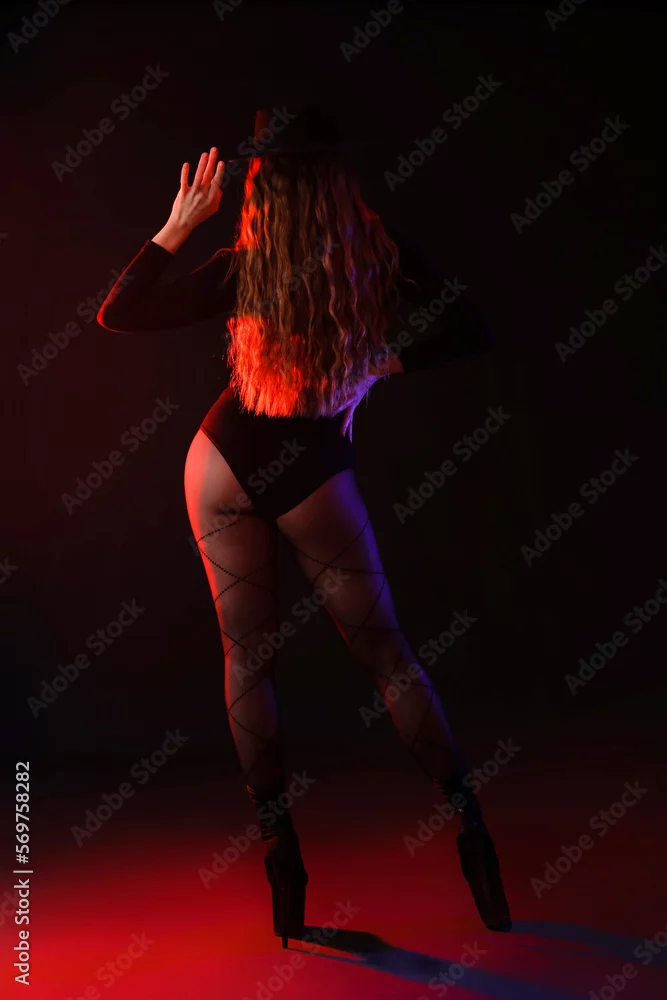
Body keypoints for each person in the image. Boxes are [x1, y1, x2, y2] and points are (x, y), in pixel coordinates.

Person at [97, 106, 511, 947]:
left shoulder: (241, 264)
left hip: (218, 463)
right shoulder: (375, 251)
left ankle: (280, 855)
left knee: (247, 659)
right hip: (313, 468)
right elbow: (473, 326)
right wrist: (383, 364)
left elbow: (120, 311)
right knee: (387, 658)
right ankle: (472, 832)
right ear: (336, 179)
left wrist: (177, 227)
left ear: (261, 187)